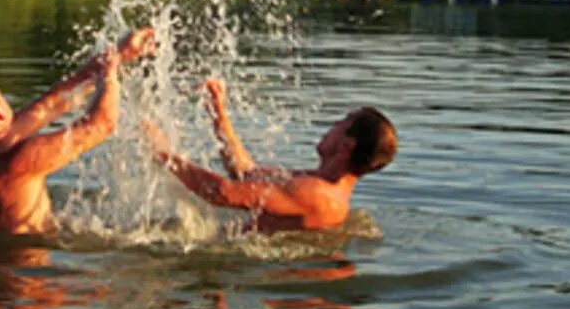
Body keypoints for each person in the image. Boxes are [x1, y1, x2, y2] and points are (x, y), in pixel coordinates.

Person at [0, 27, 158, 234]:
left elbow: (51, 104)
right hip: (26, 270)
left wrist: (120, 54)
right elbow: (102, 124)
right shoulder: (19, 161)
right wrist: (109, 76)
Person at [142, 77, 396, 233]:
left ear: (346, 146)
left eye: (341, 122)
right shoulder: (317, 184)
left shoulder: (318, 195)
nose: (332, 126)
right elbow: (245, 174)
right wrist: (218, 112)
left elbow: (224, 193)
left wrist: (165, 156)